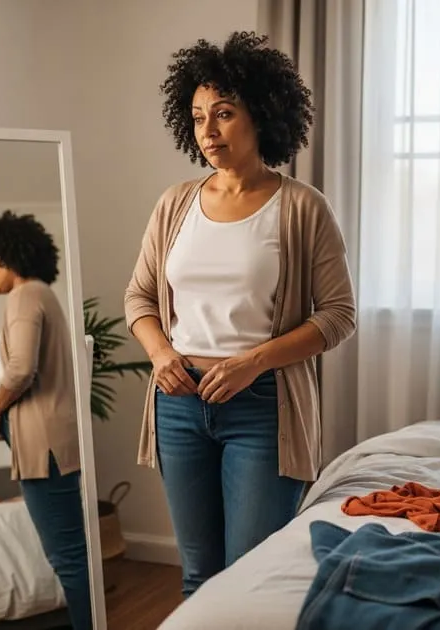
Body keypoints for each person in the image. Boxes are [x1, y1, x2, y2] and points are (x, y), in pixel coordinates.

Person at [124, 31, 357, 597]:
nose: (208, 130)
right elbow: (140, 298)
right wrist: (160, 355)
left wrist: (253, 362)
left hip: (262, 407)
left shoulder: (303, 206)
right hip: (178, 403)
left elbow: (337, 315)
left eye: (223, 114)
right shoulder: (175, 203)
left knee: (252, 577)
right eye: (198, 115)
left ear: (263, 114)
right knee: (198, 576)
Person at [0, 210, 92, 629]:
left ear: (9, 254)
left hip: (45, 447)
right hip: (49, 441)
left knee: (67, 555)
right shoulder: (41, 294)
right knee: (71, 551)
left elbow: (20, 369)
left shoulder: (24, 295)